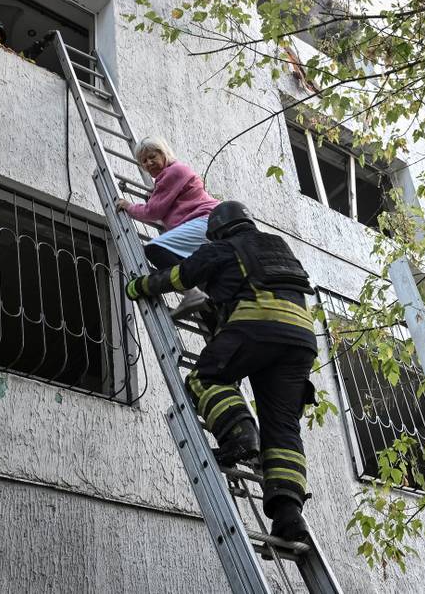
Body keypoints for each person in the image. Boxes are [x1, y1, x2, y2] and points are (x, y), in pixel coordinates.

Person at [124, 201, 317, 541]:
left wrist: (139, 287)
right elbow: (248, 286)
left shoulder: (224, 247)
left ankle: (239, 434)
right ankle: (290, 516)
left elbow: (181, 275)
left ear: (216, 231)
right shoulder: (278, 247)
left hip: (259, 325)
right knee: (283, 426)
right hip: (301, 338)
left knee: (205, 378)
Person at [116, 136, 219, 318]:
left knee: (155, 248)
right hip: (207, 226)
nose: (148, 163)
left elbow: (153, 211)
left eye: (152, 157)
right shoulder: (170, 177)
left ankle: (190, 293)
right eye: (144, 161)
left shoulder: (173, 172)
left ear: (164, 154)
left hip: (203, 221)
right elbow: (160, 210)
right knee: (204, 282)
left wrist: (128, 206)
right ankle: (211, 317)